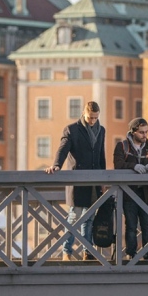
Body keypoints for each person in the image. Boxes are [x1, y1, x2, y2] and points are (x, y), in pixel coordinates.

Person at [46, 101, 106, 261]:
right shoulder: (72, 129)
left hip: (94, 180)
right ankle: (67, 251)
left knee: (90, 217)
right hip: (77, 180)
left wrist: (104, 179)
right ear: (84, 114)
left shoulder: (101, 130)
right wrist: (56, 165)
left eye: (95, 118)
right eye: (90, 117)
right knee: (74, 217)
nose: (93, 120)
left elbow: (101, 155)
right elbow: (63, 148)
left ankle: (88, 251)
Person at [112, 117, 148, 259]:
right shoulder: (122, 146)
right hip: (129, 193)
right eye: (141, 132)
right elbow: (118, 164)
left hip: (146, 192)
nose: (145, 135)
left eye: (146, 132)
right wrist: (133, 166)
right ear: (133, 132)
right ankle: (131, 254)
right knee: (131, 226)